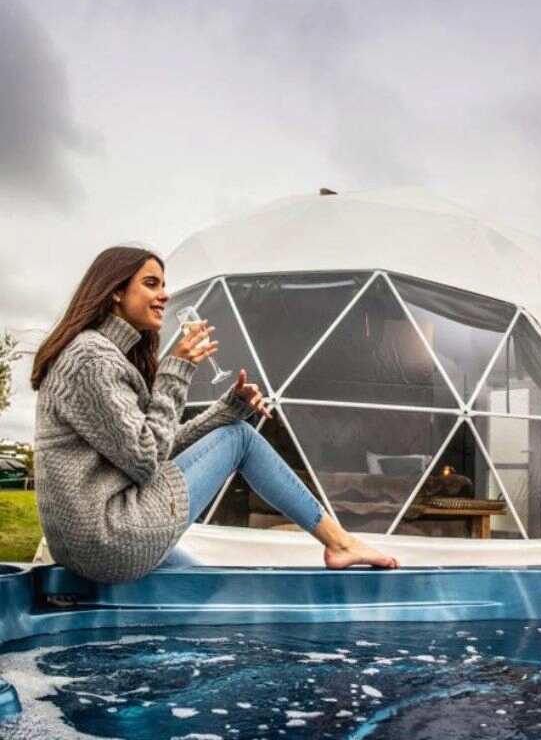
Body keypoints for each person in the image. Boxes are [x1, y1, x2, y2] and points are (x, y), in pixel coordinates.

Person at [31, 246, 399, 584]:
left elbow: (156, 449)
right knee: (240, 438)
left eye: (164, 284)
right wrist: (175, 371)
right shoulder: (93, 359)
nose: (165, 295)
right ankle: (339, 543)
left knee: (203, 585)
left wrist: (226, 410)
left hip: (91, 544)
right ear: (115, 291)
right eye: (151, 284)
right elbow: (146, 460)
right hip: (109, 537)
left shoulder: (98, 356)